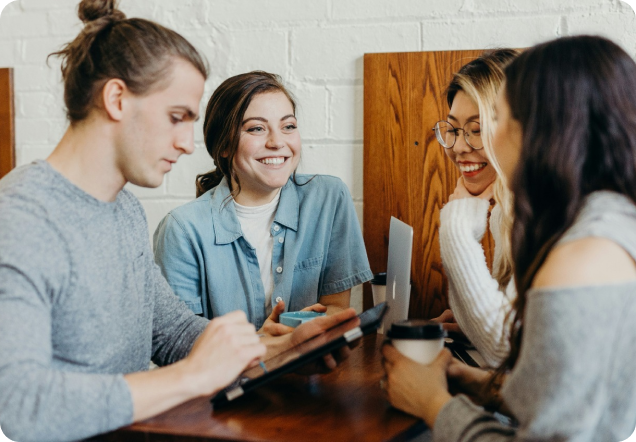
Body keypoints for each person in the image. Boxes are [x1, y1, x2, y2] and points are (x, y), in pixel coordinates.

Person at [0, 1, 357, 441]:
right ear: (116, 100)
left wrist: (274, 350)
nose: (190, 145)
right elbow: (17, 406)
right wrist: (194, 376)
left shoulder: (123, 210)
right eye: (176, 118)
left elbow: (172, 333)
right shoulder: (21, 218)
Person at [383, 35, 636, 441]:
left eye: (495, 119)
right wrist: (484, 387)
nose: (470, 144)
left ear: (545, 129)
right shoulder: (603, 221)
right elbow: (570, 401)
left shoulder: (581, 257)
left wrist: (433, 403)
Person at [153, 71, 373, 335]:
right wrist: (265, 345)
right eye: (256, 128)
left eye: (288, 126)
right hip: (230, 376)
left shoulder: (328, 198)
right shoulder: (181, 229)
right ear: (223, 145)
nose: (277, 142)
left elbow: (336, 308)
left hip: (310, 370)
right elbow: (181, 342)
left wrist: (300, 333)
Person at [432, 49, 518, 367]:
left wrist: (456, 226)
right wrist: (470, 324)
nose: (458, 147)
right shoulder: (506, 211)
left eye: (477, 129)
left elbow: (503, 351)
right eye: (453, 130)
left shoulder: (543, 215)